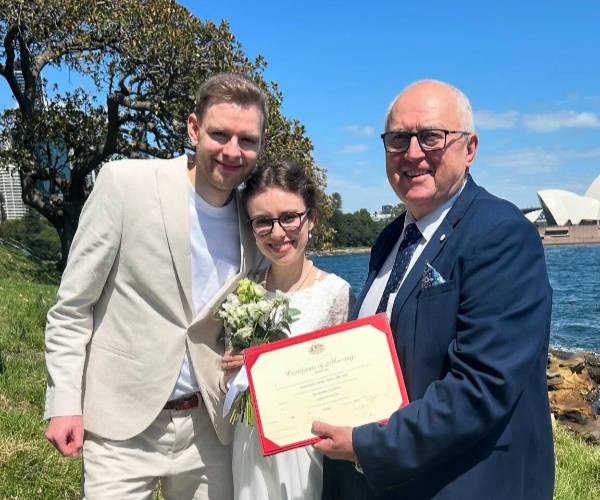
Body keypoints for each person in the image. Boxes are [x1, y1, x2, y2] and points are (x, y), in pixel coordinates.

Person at [313, 80, 555, 499]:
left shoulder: (502, 234)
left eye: (431, 137)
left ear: (470, 148)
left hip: (468, 483)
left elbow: (482, 386)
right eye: (398, 139)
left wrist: (368, 445)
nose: (412, 153)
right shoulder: (389, 240)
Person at [43, 73, 268, 499]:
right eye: (220, 134)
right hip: (120, 425)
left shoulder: (255, 220)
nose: (233, 151)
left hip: (210, 428)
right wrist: (64, 402)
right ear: (193, 128)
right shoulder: (125, 184)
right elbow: (73, 307)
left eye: (248, 140)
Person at [221, 160, 352, 500]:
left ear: (311, 218)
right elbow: (225, 377)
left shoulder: (335, 292)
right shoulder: (242, 291)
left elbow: (344, 383)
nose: (278, 233)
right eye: (263, 222)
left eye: (289, 217)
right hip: (249, 442)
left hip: (304, 449)